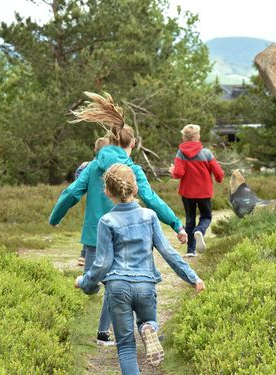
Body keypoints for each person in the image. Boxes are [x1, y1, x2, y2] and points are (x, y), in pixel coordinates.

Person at [49, 92, 188, 346]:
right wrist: (176, 223)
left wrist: (55, 217)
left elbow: (71, 193)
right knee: (117, 282)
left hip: (94, 236)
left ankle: (104, 333)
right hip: (126, 236)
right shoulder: (132, 170)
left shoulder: (93, 165)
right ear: (131, 143)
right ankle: (143, 326)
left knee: (105, 284)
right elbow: (152, 199)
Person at [74, 163, 205, 374]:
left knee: (125, 347)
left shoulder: (106, 221)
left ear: (107, 191)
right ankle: (148, 328)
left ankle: (145, 330)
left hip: (117, 287)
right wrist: (192, 277)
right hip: (145, 285)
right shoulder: (149, 216)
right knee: (148, 320)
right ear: (135, 189)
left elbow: (102, 264)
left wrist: (85, 283)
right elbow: (168, 252)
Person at [169, 124, 224, 256]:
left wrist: (172, 171)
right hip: (204, 193)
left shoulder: (180, 153)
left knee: (189, 219)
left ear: (184, 138)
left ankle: (190, 250)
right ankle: (200, 230)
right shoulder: (206, 153)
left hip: (187, 193)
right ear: (198, 137)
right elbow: (219, 174)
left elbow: (178, 173)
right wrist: (219, 178)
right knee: (206, 216)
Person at [75, 137, 110, 267]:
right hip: (109, 203)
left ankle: (84, 255)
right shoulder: (115, 166)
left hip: (93, 203)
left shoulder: (88, 166)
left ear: (95, 150)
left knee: (92, 227)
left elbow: (77, 183)